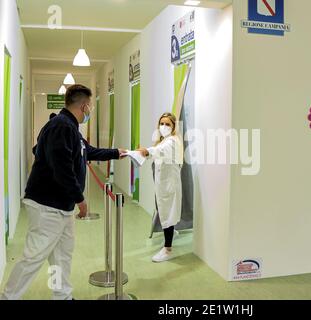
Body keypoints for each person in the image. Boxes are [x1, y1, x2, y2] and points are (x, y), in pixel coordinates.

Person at [0, 84, 127, 300]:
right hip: (47, 205)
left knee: (61, 255)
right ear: (85, 106)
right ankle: (8, 296)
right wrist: (81, 199)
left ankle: (62, 295)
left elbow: (89, 152)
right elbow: (62, 168)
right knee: (33, 257)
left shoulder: (70, 128)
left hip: (61, 207)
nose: (90, 112)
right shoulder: (61, 126)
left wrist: (118, 153)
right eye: (90, 108)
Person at [138, 112, 183, 263]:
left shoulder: (172, 141)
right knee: (166, 211)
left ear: (174, 126)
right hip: (164, 184)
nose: (163, 126)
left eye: (167, 124)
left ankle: (167, 249)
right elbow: (158, 152)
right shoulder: (165, 140)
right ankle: (171, 234)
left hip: (168, 185)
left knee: (167, 213)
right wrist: (146, 152)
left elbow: (160, 151)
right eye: (161, 123)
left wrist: (148, 151)